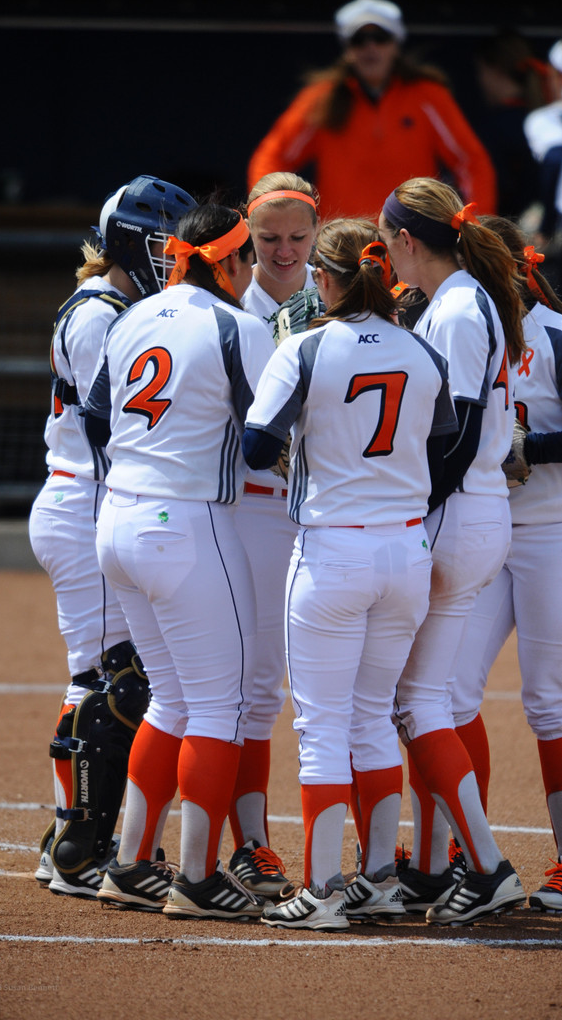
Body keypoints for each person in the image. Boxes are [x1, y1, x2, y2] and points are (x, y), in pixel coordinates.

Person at [241, 217, 456, 930]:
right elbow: (443, 446)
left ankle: (324, 889)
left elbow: (255, 447)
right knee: (371, 717)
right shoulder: (421, 350)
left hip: (332, 550)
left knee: (322, 727)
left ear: (323, 278)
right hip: (405, 551)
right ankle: (381, 880)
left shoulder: (303, 347)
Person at [84, 203, 277, 921]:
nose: (253, 269)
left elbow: (95, 415)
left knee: (171, 697)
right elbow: (265, 438)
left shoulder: (134, 315)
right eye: (249, 256)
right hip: (186, 523)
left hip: (118, 516)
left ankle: (132, 863)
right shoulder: (238, 325)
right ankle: (196, 877)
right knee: (221, 705)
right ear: (230, 260)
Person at [28, 174, 197, 898]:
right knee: (109, 680)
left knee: (120, 676)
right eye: (161, 242)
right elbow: (114, 426)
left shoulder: (127, 307)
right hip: (85, 499)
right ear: (127, 241)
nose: (172, 255)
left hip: (97, 500)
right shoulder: (101, 311)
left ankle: (74, 839)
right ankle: (77, 849)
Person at [378, 177, 528, 925]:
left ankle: (485, 864)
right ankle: (442, 863)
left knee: (414, 702)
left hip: (458, 510)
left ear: (409, 240)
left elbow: (459, 434)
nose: (386, 259)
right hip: (469, 511)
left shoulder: (461, 306)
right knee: (425, 699)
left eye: (388, 244)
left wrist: (410, 507)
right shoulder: (457, 300)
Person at [448, 215, 562, 915]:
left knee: (550, 700)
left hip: (553, 530)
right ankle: (470, 855)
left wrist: (532, 448)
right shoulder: (459, 327)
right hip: (484, 528)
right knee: (447, 692)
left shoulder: (552, 333)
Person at [223, 172, 320, 899]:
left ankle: (385, 848)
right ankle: (252, 845)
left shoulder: (343, 292)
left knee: (353, 690)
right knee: (256, 685)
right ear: (246, 235)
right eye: (267, 238)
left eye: (297, 237)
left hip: (334, 517)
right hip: (256, 511)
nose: (284, 252)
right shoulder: (231, 307)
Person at [247, 0, 497, 222]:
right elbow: (272, 156)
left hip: (412, 241)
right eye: (359, 40)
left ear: (396, 45)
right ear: (347, 50)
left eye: (380, 38)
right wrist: (270, 215)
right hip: (340, 245)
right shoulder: (321, 98)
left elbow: (471, 162)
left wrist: (476, 227)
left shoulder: (428, 97)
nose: (370, 48)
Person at [470, 29, 548, 220]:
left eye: (481, 71)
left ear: (494, 70)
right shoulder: (548, 120)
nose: (480, 80)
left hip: (510, 228)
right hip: (546, 227)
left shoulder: (493, 128)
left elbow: (494, 187)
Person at [524, 40, 562, 293]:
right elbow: (553, 160)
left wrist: (545, 228)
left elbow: (554, 160)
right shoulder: (543, 120)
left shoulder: (540, 120)